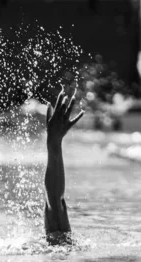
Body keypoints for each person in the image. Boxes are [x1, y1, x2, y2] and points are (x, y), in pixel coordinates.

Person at [44, 87, 84, 246]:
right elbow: (54, 201)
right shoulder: (62, 242)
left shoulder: (59, 242)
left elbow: (54, 202)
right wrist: (54, 143)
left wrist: (54, 143)